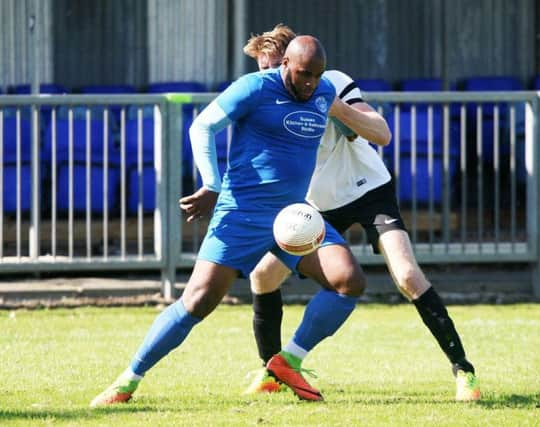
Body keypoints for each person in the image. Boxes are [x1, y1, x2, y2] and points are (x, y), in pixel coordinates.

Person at [90, 35, 368, 407]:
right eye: (304, 74)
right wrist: (211, 184)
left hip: (292, 219)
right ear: (285, 63)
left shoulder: (323, 90)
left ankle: (288, 360)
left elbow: (353, 128)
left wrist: (356, 128)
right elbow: (201, 128)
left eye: (316, 76)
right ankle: (127, 381)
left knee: (348, 280)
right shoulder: (253, 88)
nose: (310, 83)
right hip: (242, 213)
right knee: (198, 301)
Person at [241, 24, 481, 402]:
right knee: (263, 275)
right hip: (317, 205)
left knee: (406, 276)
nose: (268, 77)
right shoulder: (265, 99)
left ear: (296, 62)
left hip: (369, 191)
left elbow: (381, 133)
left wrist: (331, 105)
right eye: (262, 70)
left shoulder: (330, 82)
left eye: (274, 68)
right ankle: (273, 369)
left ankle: (463, 371)